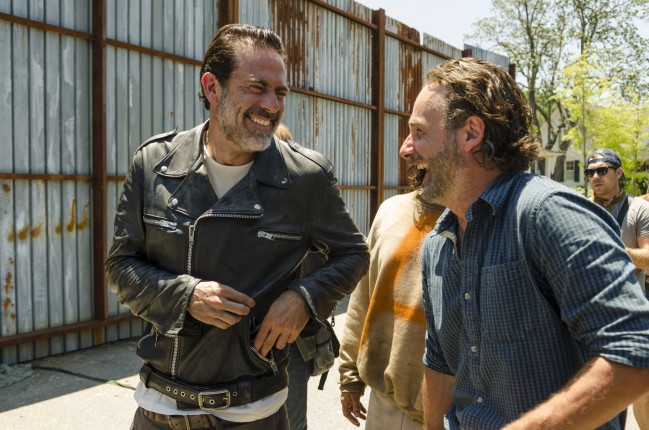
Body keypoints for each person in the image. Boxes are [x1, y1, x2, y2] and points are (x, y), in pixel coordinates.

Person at [106, 24, 369, 430]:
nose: (272, 105)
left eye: (280, 92)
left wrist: (303, 298)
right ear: (212, 87)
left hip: (254, 413)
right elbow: (120, 266)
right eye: (257, 87)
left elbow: (353, 254)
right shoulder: (154, 164)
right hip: (159, 410)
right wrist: (187, 296)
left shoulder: (305, 177)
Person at [398, 57, 649, 429]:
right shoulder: (438, 243)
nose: (406, 149)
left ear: (470, 133)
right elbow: (440, 363)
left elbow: (636, 350)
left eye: (419, 132)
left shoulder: (551, 216)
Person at [338, 185, 444, 429]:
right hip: (385, 403)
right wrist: (350, 377)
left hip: (451, 407)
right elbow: (364, 298)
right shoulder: (392, 210)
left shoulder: (480, 218)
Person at [586, 148, 649, 291]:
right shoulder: (580, 208)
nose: (595, 176)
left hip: (628, 300)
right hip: (588, 299)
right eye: (590, 172)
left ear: (619, 173)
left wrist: (611, 251)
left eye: (602, 170)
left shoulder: (641, 208)